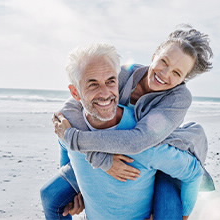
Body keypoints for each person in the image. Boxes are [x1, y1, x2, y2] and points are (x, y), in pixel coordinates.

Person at [41, 42, 206, 220]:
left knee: (168, 204)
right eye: (164, 62)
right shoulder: (123, 73)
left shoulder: (178, 98)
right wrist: (81, 179)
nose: (165, 74)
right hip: (106, 141)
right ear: (154, 56)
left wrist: (76, 141)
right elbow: (72, 107)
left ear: (183, 80)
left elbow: (138, 141)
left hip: (150, 147)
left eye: (177, 73)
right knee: (50, 195)